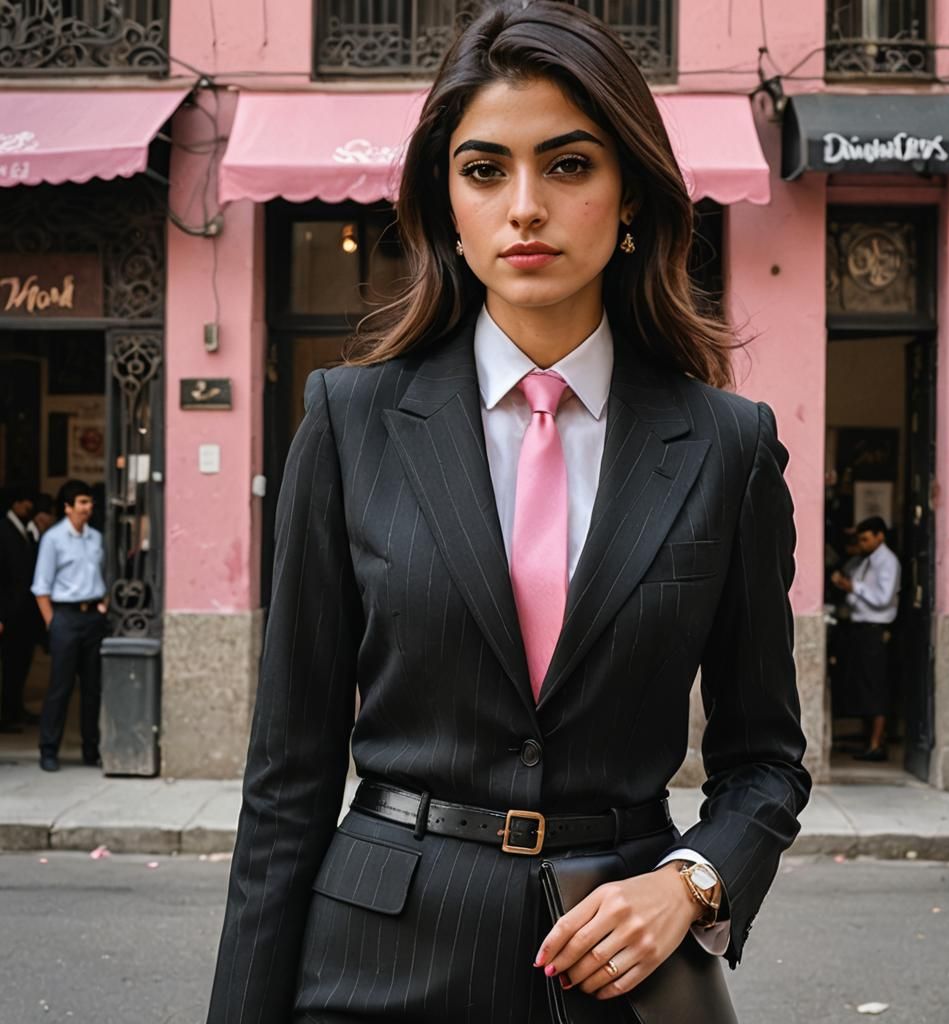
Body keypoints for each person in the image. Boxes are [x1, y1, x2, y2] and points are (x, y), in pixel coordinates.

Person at [207, 5, 810, 1021]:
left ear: (630, 195)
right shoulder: (351, 422)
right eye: (485, 170)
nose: (525, 207)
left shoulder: (725, 445)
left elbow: (765, 761)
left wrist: (690, 884)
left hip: (616, 968)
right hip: (373, 966)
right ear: (447, 205)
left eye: (568, 165)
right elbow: (287, 777)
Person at [30, 480, 108, 771]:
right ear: (68, 507)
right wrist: (52, 622)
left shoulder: (96, 538)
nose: (88, 508)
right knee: (60, 687)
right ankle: (49, 749)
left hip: (92, 617)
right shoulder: (53, 539)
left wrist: (104, 604)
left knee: (92, 688)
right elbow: (41, 586)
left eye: (90, 502)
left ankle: (91, 749)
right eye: (82, 503)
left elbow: (105, 575)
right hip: (65, 616)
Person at [831, 516, 901, 761]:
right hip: (859, 628)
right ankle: (868, 740)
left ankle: (876, 743)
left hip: (875, 629)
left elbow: (883, 598)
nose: (862, 544)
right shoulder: (865, 560)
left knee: (876, 685)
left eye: (865, 539)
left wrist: (854, 588)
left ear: (880, 536)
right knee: (862, 685)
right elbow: (850, 571)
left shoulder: (888, 562)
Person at [0, 486, 40, 732]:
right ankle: (6, 715)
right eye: (25, 501)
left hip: (23, 613)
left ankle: (15, 709)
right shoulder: (4, 530)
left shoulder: (24, 529)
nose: (29, 506)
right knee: (10, 665)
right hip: (9, 612)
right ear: (15, 503)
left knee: (20, 664)